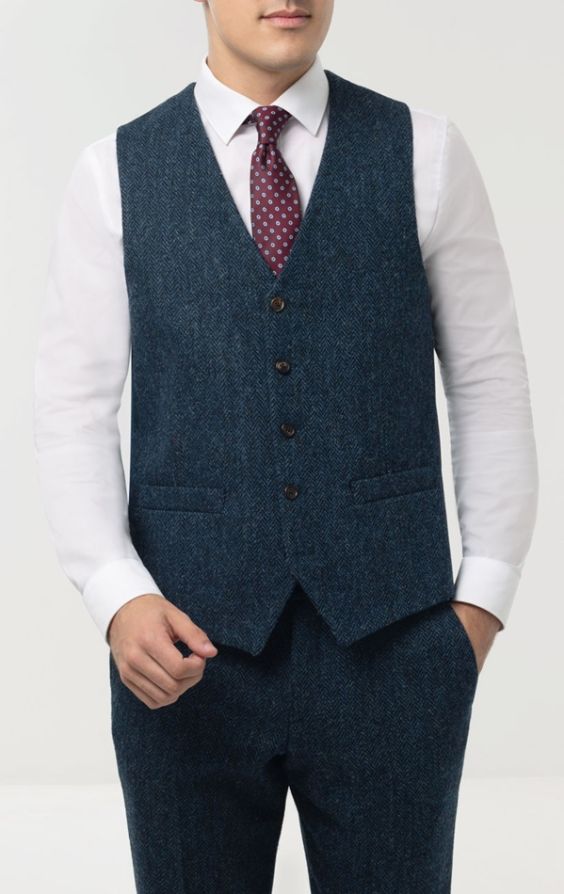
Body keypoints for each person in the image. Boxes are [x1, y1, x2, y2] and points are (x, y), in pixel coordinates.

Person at [33, 1, 539, 891]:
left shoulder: (426, 152)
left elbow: (490, 383)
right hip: (185, 658)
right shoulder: (113, 171)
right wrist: (117, 597)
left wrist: (478, 612)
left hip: (395, 650)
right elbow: (72, 409)